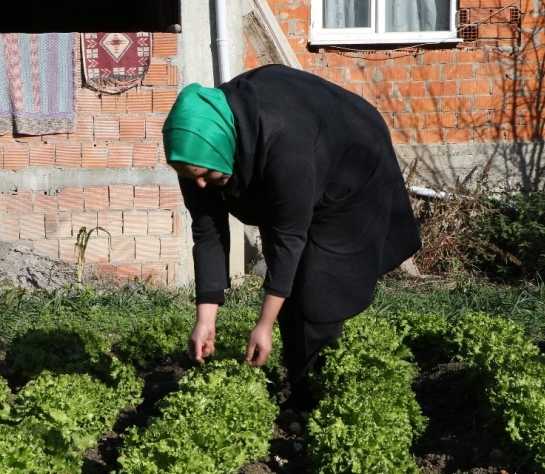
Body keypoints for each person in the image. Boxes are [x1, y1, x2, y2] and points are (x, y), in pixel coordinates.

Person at [162, 64, 421, 410]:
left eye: (208, 175)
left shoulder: (284, 139)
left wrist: (263, 324)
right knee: (289, 288)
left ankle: (317, 391)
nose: (201, 186)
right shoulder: (196, 149)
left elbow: (289, 237)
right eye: (192, 177)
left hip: (352, 166)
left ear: (225, 147)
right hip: (298, 160)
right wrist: (205, 319)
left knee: (320, 290)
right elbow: (208, 232)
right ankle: (300, 380)